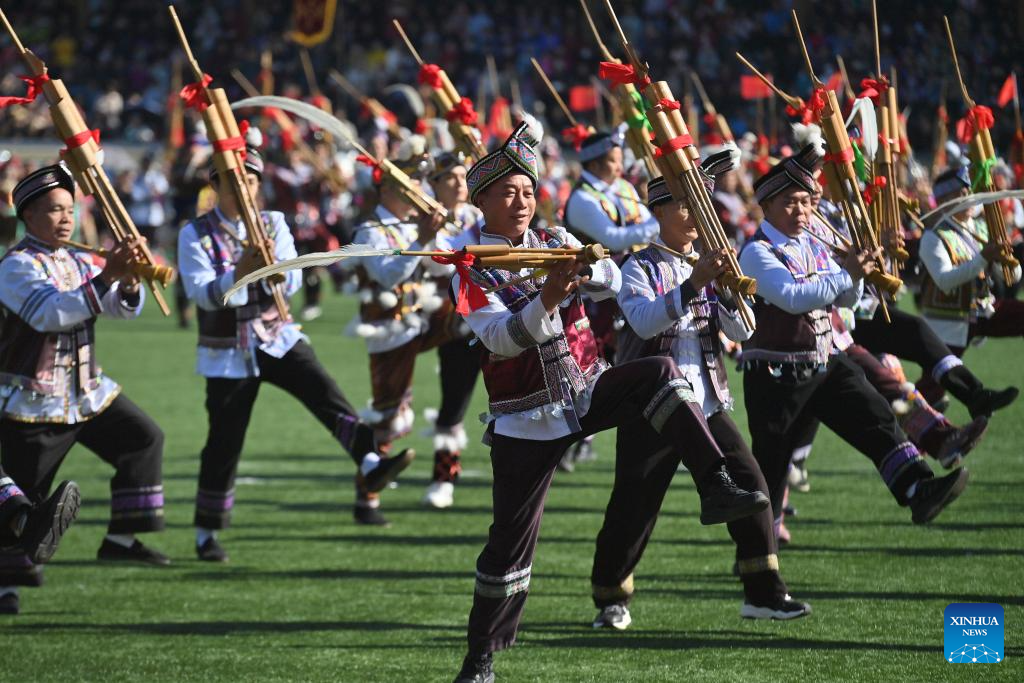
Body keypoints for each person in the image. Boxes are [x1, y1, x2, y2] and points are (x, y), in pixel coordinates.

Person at [451, 123, 767, 683]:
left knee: (660, 373)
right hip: (526, 416)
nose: (521, 201)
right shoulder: (470, 267)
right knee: (509, 546)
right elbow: (501, 338)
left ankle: (715, 482)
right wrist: (548, 297)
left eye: (527, 191)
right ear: (481, 202)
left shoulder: (552, 238)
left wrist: (585, 266)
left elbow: (612, 281)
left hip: (586, 388)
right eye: (507, 193)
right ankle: (481, 656)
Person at [590, 159, 810, 630]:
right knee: (634, 506)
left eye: (700, 205)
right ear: (659, 212)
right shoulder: (637, 266)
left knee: (753, 487)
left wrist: (728, 292)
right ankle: (610, 596)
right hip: (652, 405)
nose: (696, 214)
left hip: (706, 401)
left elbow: (744, 329)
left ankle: (763, 593)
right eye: (685, 205)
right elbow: (644, 322)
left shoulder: (710, 261)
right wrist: (695, 284)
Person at [178, 137, 412, 554]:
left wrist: (275, 269)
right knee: (224, 440)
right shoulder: (194, 232)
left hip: (277, 336)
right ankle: (206, 532)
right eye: (233, 181)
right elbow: (202, 293)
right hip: (228, 351)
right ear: (215, 185)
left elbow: (295, 280)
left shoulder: (273, 222)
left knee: (326, 393)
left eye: (250, 180)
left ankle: (370, 461)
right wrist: (240, 272)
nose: (243, 188)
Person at [737, 144, 971, 542]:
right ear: (767, 206)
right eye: (790, 202)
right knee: (773, 464)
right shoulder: (756, 252)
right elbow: (793, 297)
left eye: (805, 202)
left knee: (876, 414)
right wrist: (847, 274)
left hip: (824, 360)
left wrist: (859, 273)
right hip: (776, 377)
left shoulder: (812, 243)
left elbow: (844, 299)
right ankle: (759, 551)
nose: (802, 211)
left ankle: (917, 487)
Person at [0, 163, 168, 614]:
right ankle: (6, 587)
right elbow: (51, 314)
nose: (66, 219)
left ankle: (120, 540)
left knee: (143, 439)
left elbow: (117, 309)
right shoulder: (15, 266)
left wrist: (128, 281)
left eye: (70, 210)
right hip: (36, 400)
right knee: (26, 499)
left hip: (87, 392)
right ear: (28, 216)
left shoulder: (76, 259)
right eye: (54, 210)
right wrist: (108, 275)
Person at [349, 147, 478, 511]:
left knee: (465, 332)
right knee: (389, 415)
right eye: (412, 185)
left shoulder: (414, 223)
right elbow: (388, 276)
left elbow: (440, 269)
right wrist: (423, 239)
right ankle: (367, 495)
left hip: (427, 315)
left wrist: (435, 239)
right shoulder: (369, 231)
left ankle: (444, 475)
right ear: (389, 189)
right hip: (388, 327)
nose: (419, 191)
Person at [913, 166, 1024, 407]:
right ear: (945, 201)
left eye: (969, 191)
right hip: (947, 319)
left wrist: (1009, 263)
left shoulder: (981, 227)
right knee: (932, 389)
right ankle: (910, 420)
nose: (971, 197)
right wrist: (984, 257)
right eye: (962, 193)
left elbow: (1013, 275)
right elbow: (945, 280)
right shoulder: (933, 236)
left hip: (983, 310)